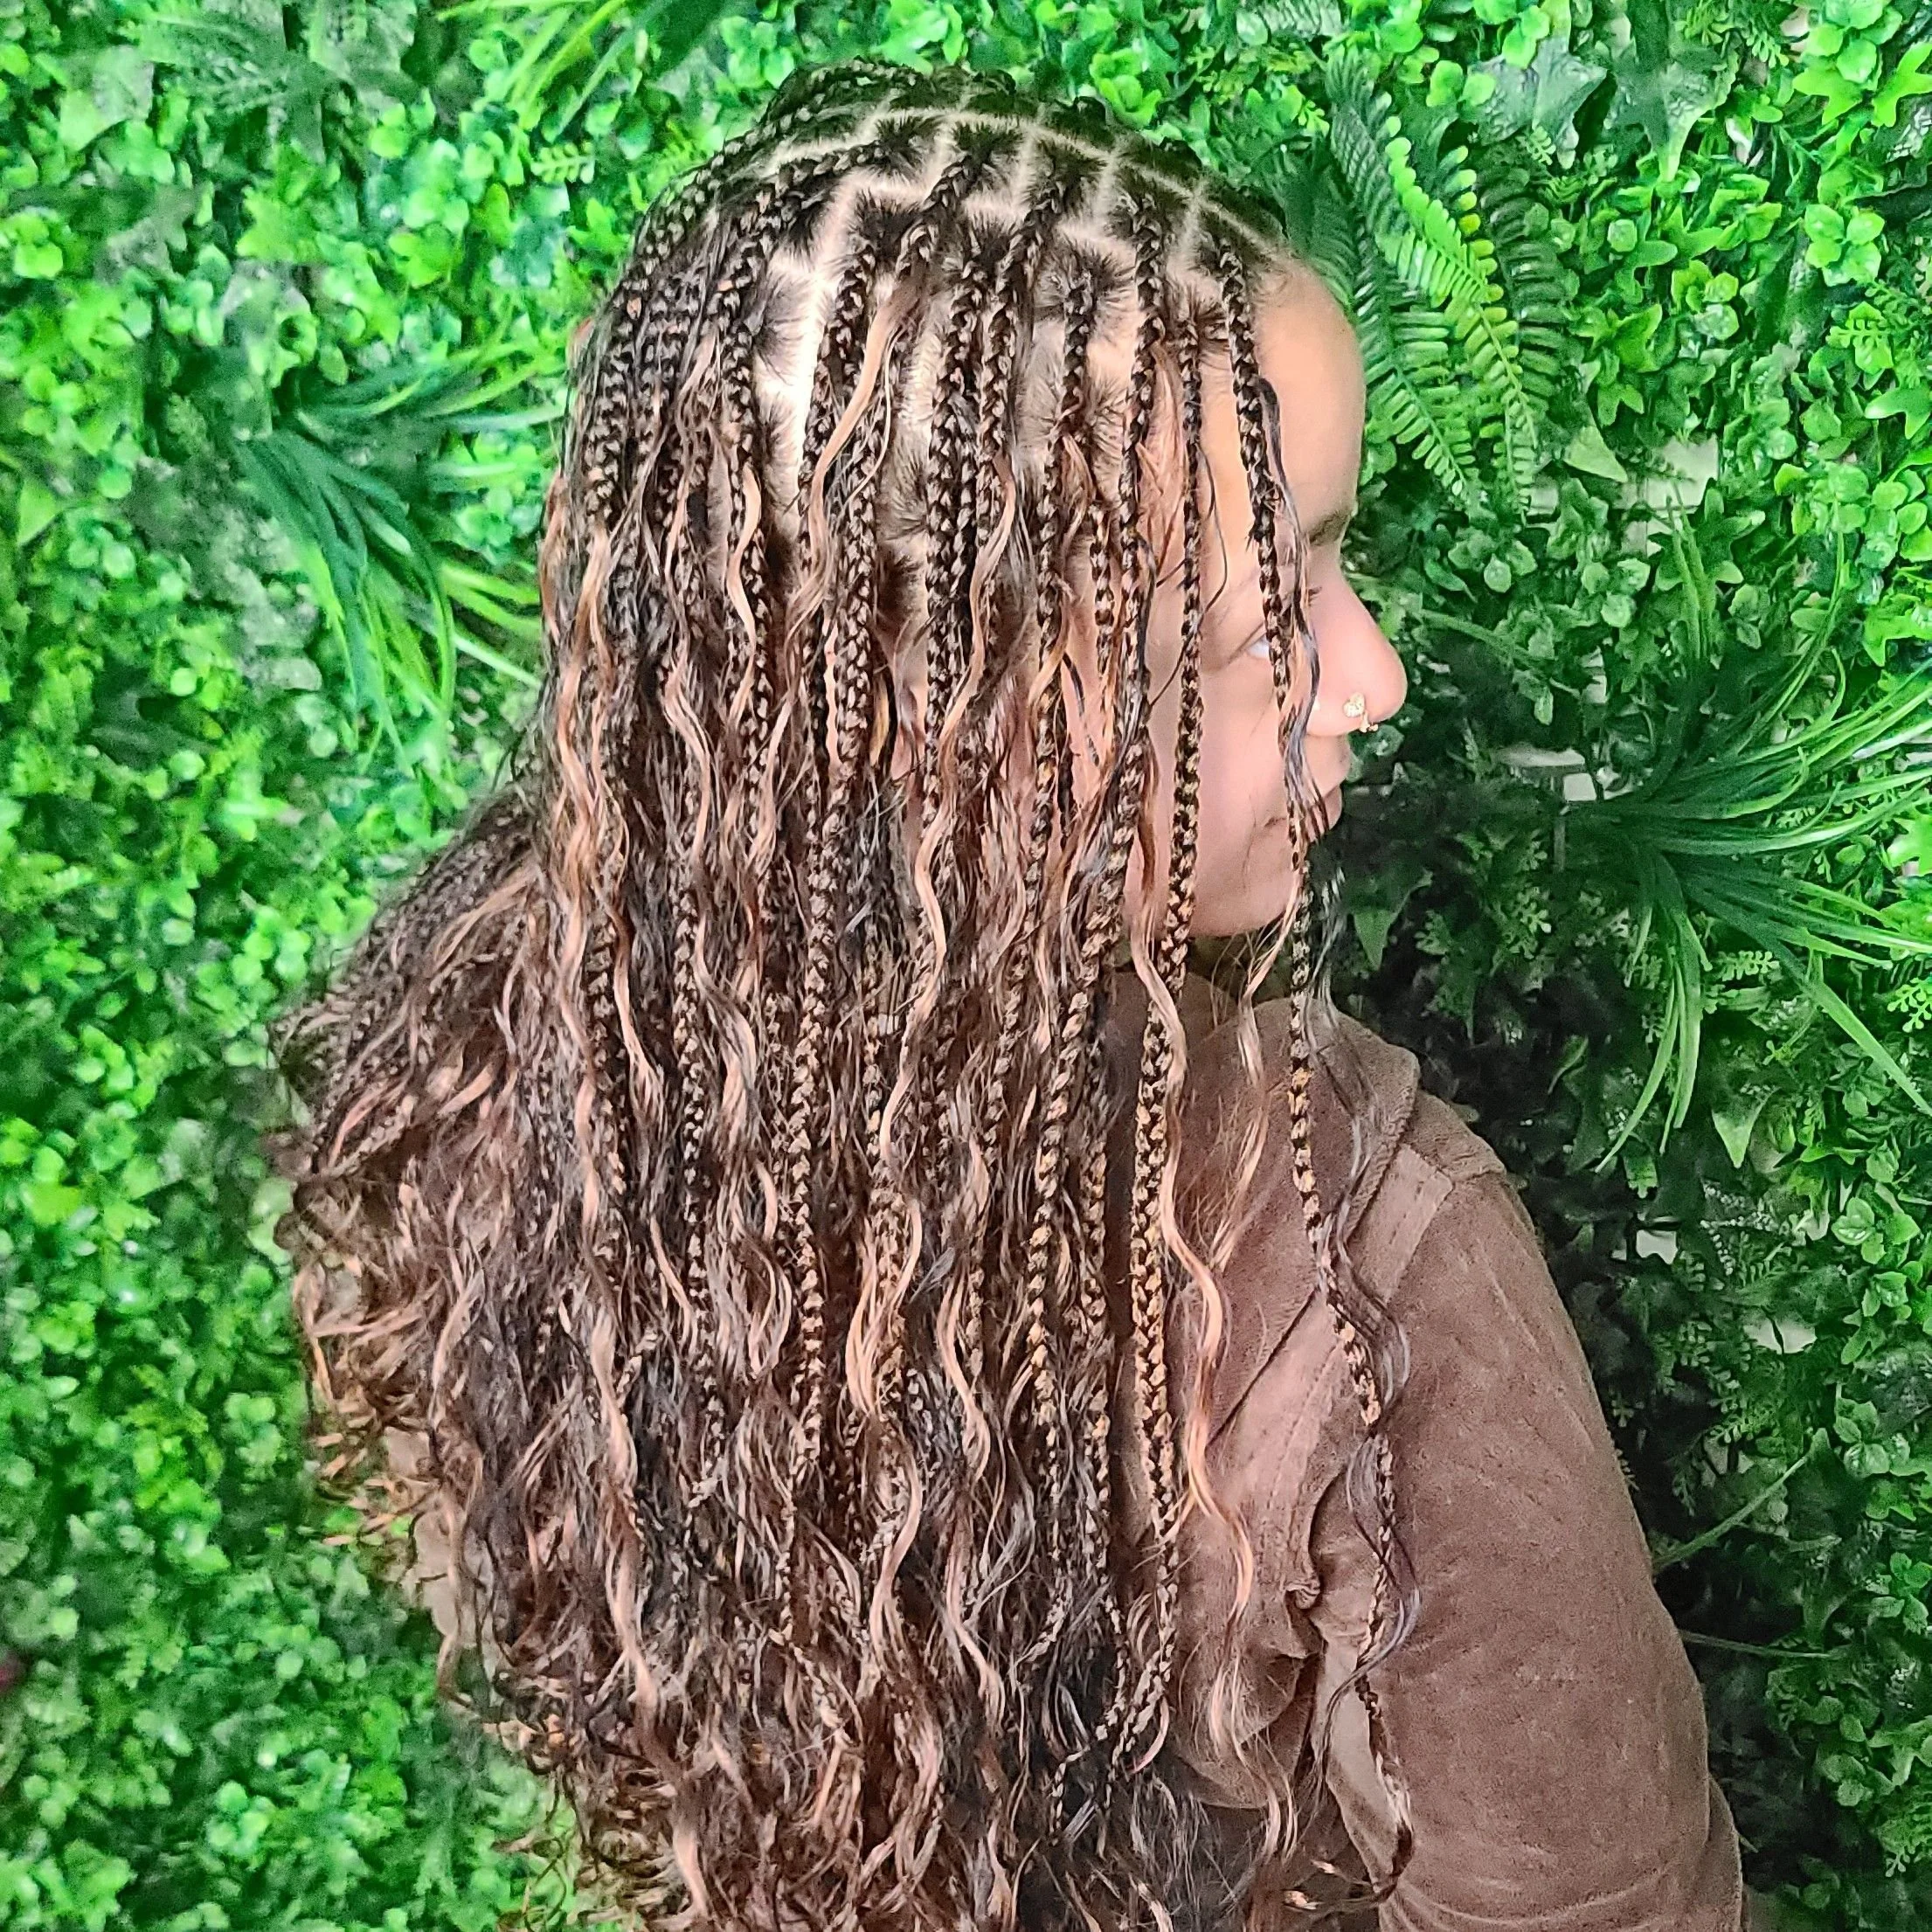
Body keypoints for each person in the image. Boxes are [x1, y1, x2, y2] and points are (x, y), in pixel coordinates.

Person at [275, 57, 1764, 1932]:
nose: (1372, 676)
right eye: (1269, 612)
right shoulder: (1369, 1273)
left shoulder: (517, 1051)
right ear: (972, 731)